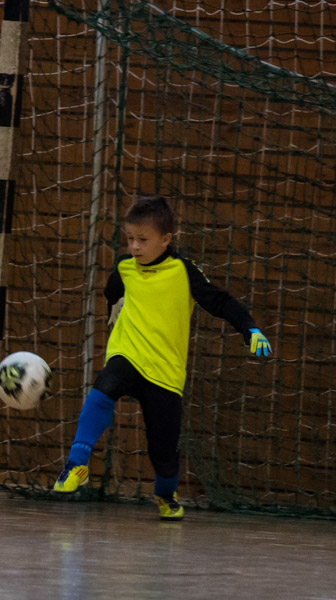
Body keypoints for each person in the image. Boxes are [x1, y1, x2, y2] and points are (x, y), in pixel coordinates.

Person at [52, 196, 272, 520]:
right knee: (104, 388)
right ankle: (76, 463)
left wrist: (249, 328)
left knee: (163, 450)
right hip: (128, 352)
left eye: (143, 240)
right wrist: (115, 303)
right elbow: (112, 290)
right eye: (130, 239)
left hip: (165, 372)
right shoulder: (124, 267)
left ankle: (166, 494)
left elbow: (221, 302)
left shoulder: (183, 271)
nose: (134, 247)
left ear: (166, 239)